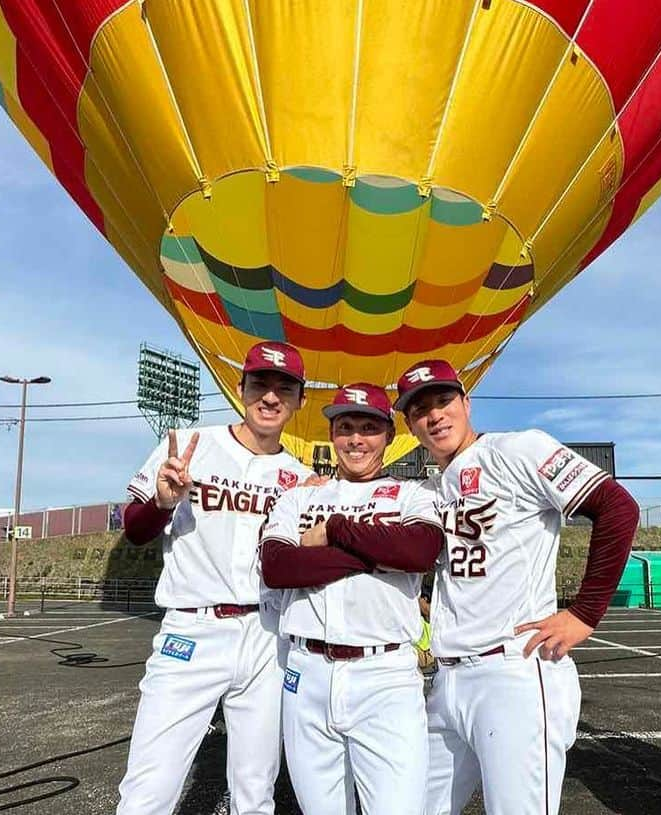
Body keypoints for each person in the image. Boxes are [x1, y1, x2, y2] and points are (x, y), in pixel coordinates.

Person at [392, 359, 640, 815]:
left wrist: (585, 613)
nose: (435, 415)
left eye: (444, 400)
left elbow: (618, 508)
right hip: (448, 680)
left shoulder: (517, 449)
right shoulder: (429, 488)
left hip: (514, 672)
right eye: (420, 409)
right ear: (409, 424)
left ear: (466, 403)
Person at [116, 341, 312, 815]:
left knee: (255, 791)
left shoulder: (300, 476)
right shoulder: (189, 445)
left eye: (284, 388)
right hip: (194, 627)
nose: (270, 397)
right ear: (240, 388)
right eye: (260, 384)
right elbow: (135, 530)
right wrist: (163, 501)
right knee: (150, 789)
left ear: (300, 401)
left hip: (267, 635)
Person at [259, 383, 444, 815]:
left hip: (385, 675)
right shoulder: (300, 497)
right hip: (307, 672)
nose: (356, 439)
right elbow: (280, 568)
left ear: (388, 434)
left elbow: (418, 551)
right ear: (332, 434)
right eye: (345, 427)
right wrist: (376, 556)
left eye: (369, 427)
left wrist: (336, 531)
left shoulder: (413, 495)